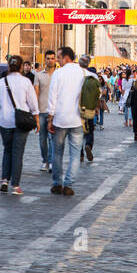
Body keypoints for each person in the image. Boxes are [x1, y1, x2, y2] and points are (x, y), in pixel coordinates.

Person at [0, 55, 39, 194]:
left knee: (7, 150)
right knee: (17, 153)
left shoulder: (2, 82)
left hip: (4, 121)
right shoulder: (25, 82)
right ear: (20, 67)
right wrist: (36, 120)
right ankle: (15, 185)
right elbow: (32, 103)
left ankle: (5, 179)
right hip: (21, 122)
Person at [46, 47, 86, 195]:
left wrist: (50, 118)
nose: (56, 60)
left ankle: (57, 184)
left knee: (57, 153)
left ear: (66, 58)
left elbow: (52, 97)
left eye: (58, 57)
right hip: (77, 119)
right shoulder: (83, 72)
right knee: (75, 154)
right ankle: (68, 184)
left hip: (60, 118)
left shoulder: (58, 73)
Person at [34, 50, 57, 172]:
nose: (50, 60)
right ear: (45, 60)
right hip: (42, 110)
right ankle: (45, 160)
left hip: (55, 112)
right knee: (42, 139)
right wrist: (35, 111)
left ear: (55, 59)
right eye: (48, 58)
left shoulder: (59, 74)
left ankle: (52, 160)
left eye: (52, 58)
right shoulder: (38, 75)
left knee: (52, 137)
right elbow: (36, 93)